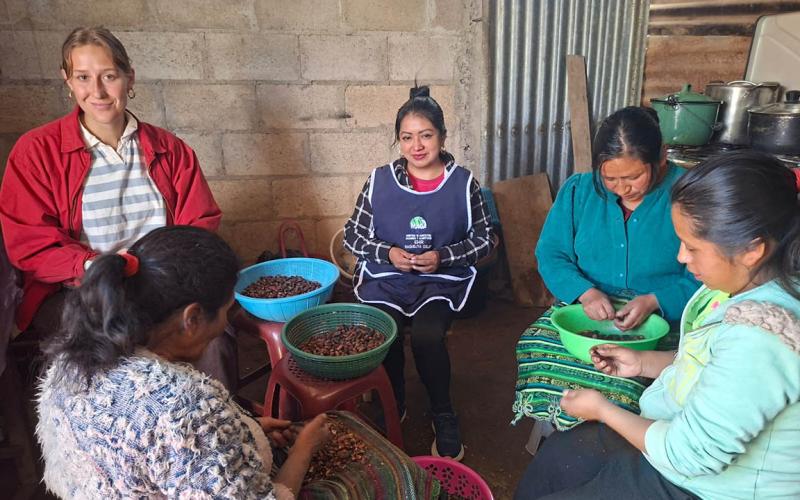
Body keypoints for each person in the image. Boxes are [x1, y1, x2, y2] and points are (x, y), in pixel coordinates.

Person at [515, 150, 800, 499]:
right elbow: (709, 363)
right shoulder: (737, 288)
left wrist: (603, 410)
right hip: (674, 436)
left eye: (692, 248)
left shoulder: (762, 338)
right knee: (556, 459)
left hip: (704, 485)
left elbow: (689, 455)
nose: (682, 257)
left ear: (752, 251)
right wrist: (642, 362)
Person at [0, 27, 234, 388]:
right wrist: (95, 266)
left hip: (161, 285)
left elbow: (198, 223)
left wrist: (166, 274)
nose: (97, 91)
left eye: (109, 76)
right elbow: (29, 242)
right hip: (80, 290)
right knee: (110, 353)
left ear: (129, 78)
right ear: (68, 81)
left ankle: (217, 430)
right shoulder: (36, 152)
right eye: (83, 78)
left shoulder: (170, 150)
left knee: (213, 340)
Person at [513, 106, 700, 429]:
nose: (621, 188)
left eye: (633, 177)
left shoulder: (690, 194)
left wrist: (655, 300)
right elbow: (551, 253)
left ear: (662, 158)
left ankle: (618, 443)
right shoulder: (579, 191)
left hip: (663, 321)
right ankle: (557, 430)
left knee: (633, 382)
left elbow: (706, 276)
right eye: (610, 177)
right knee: (534, 349)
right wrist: (585, 292)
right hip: (584, 310)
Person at [343, 86, 494, 461]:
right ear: (398, 141)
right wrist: (387, 252)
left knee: (427, 335)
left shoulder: (463, 183)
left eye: (426, 135)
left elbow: (487, 238)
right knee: (386, 332)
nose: (417, 146)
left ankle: (442, 411)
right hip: (387, 277)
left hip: (439, 282)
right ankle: (393, 400)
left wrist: (444, 256)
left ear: (442, 136)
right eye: (407, 137)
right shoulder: (379, 180)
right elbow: (353, 233)